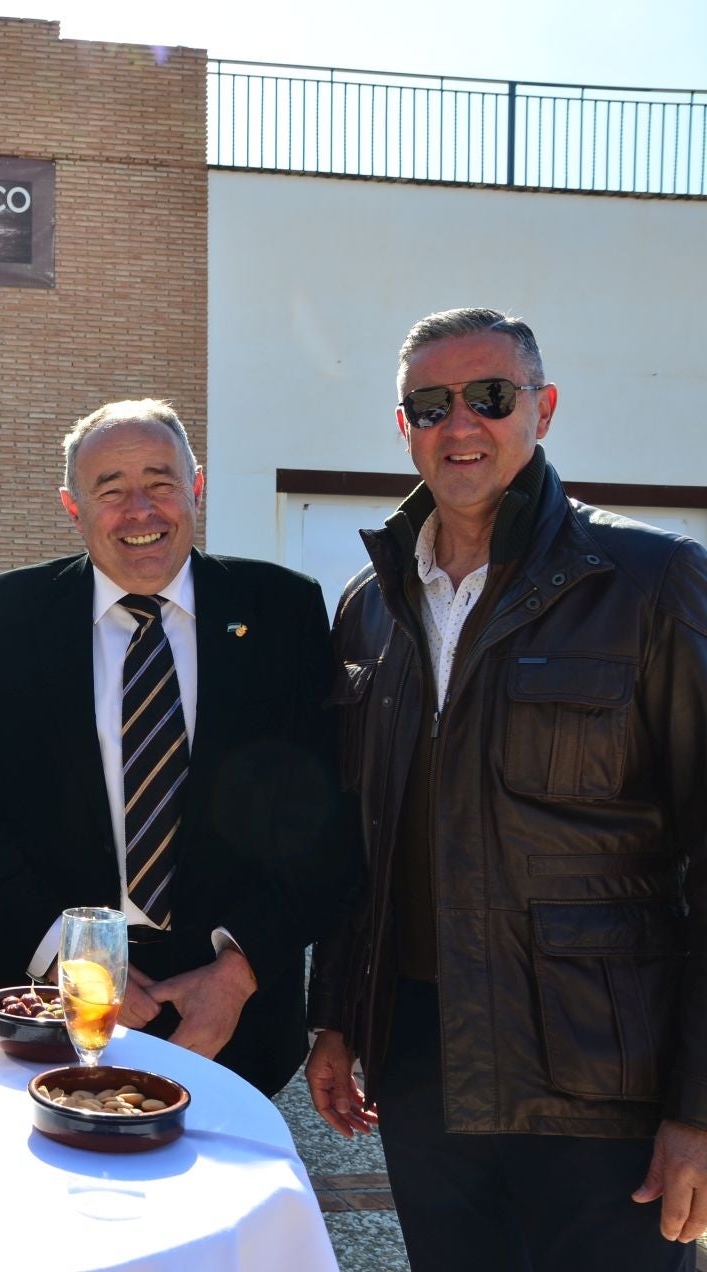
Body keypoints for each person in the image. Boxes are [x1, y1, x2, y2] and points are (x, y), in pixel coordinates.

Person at [304, 309, 707, 1268]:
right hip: (422, 1066)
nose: (461, 424)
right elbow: (363, 839)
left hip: (602, 1073)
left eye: (490, 397)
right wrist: (335, 1019)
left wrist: (697, 1105)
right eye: (429, 404)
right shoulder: (372, 607)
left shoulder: (652, 583)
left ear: (545, 409)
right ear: (401, 425)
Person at [0, 399, 352, 1096]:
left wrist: (238, 972)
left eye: (160, 482)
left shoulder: (282, 610)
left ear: (197, 486)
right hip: (53, 1008)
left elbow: (325, 819)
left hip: (229, 1016)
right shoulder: (8, 616)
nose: (140, 510)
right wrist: (70, 963)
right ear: (73, 506)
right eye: (111, 489)